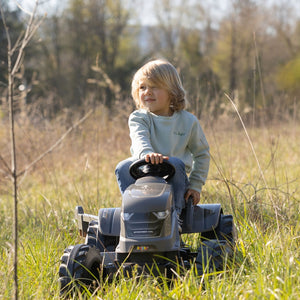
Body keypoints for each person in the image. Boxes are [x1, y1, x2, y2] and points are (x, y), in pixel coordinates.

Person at [115, 59, 210, 229]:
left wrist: (195, 185)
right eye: (142, 87)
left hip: (173, 176)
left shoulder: (187, 121)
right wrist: (146, 154)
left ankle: (176, 216)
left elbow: (202, 154)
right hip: (142, 173)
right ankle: (133, 213)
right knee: (122, 167)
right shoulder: (139, 118)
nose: (147, 92)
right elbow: (139, 139)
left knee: (175, 162)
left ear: (172, 92)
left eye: (154, 87)